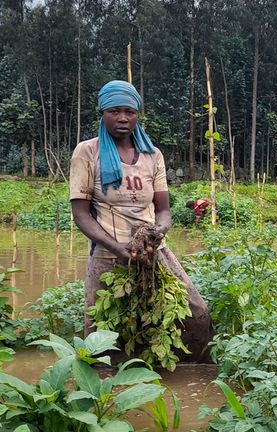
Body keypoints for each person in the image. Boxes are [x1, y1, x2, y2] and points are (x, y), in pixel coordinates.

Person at [69, 80, 212, 362]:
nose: (123, 118)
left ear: (137, 115)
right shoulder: (87, 152)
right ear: (102, 113)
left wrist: (159, 231)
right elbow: (81, 214)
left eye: (129, 112)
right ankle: (105, 386)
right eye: (114, 111)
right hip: (108, 254)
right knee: (102, 331)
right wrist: (118, 248)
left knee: (196, 314)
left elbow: (164, 210)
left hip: (152, 251)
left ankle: (191, 371)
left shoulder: (152, 155)